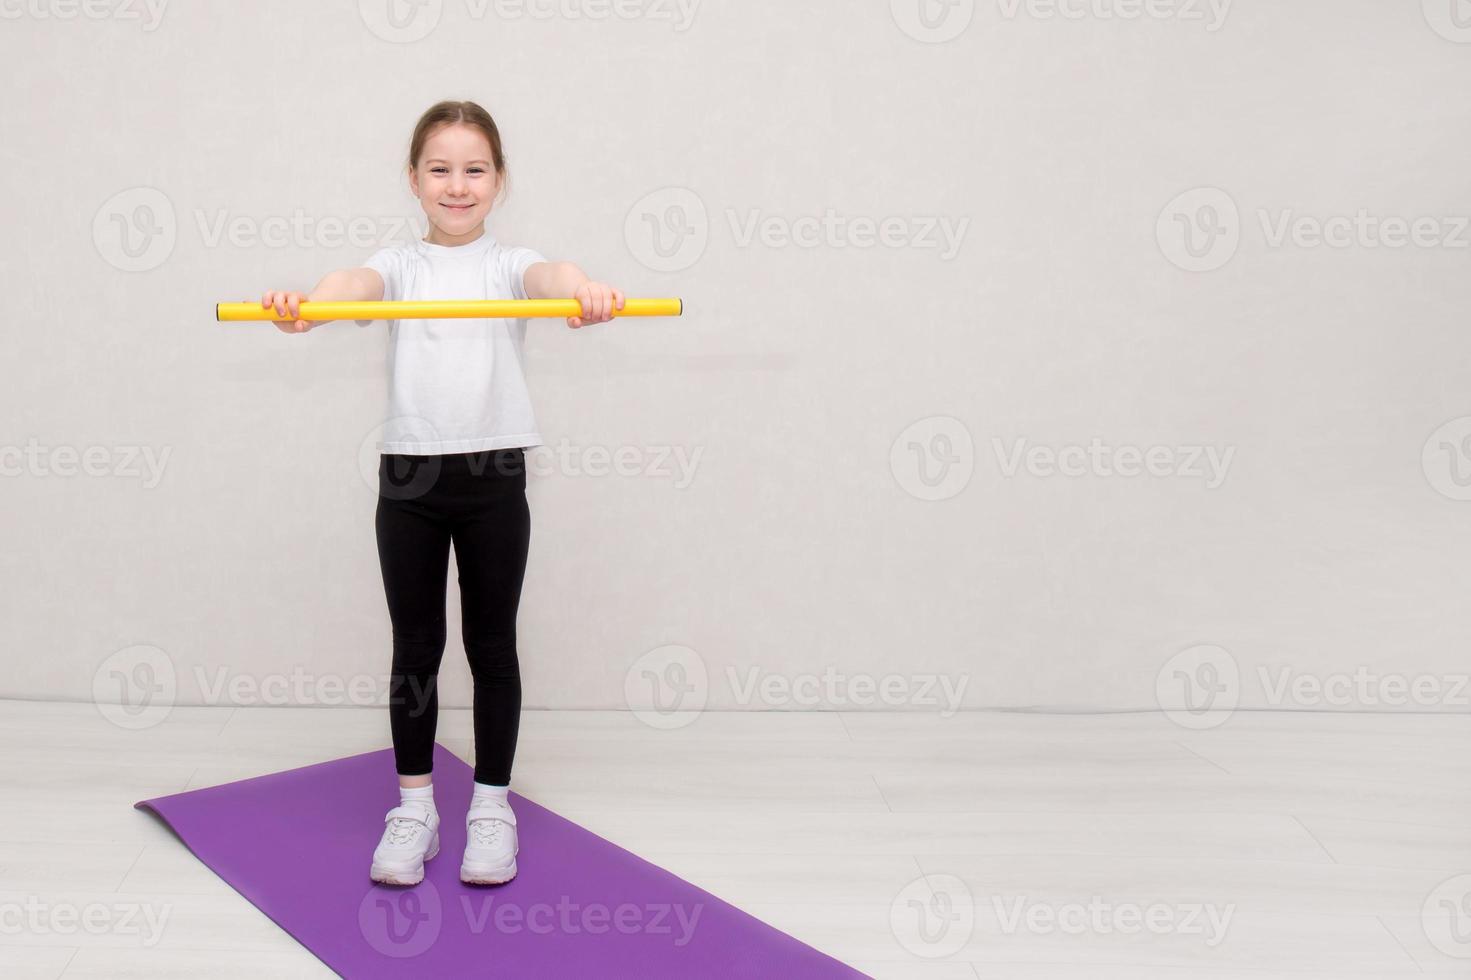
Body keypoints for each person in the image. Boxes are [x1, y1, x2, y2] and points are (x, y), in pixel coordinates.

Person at [258, 99, 625, 887]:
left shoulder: (505, 264)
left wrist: (583, 287)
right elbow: (349, 283)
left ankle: (491, 807)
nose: (457, 186)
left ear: (497, 180)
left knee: (492, 647)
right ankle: (415, 808)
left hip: (493, 476)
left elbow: (550, 276)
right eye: (440, 170)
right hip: (411, 478)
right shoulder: (399, 267)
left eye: (474, 170)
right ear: (414, 179)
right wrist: (311, 306)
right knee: (416, 647)